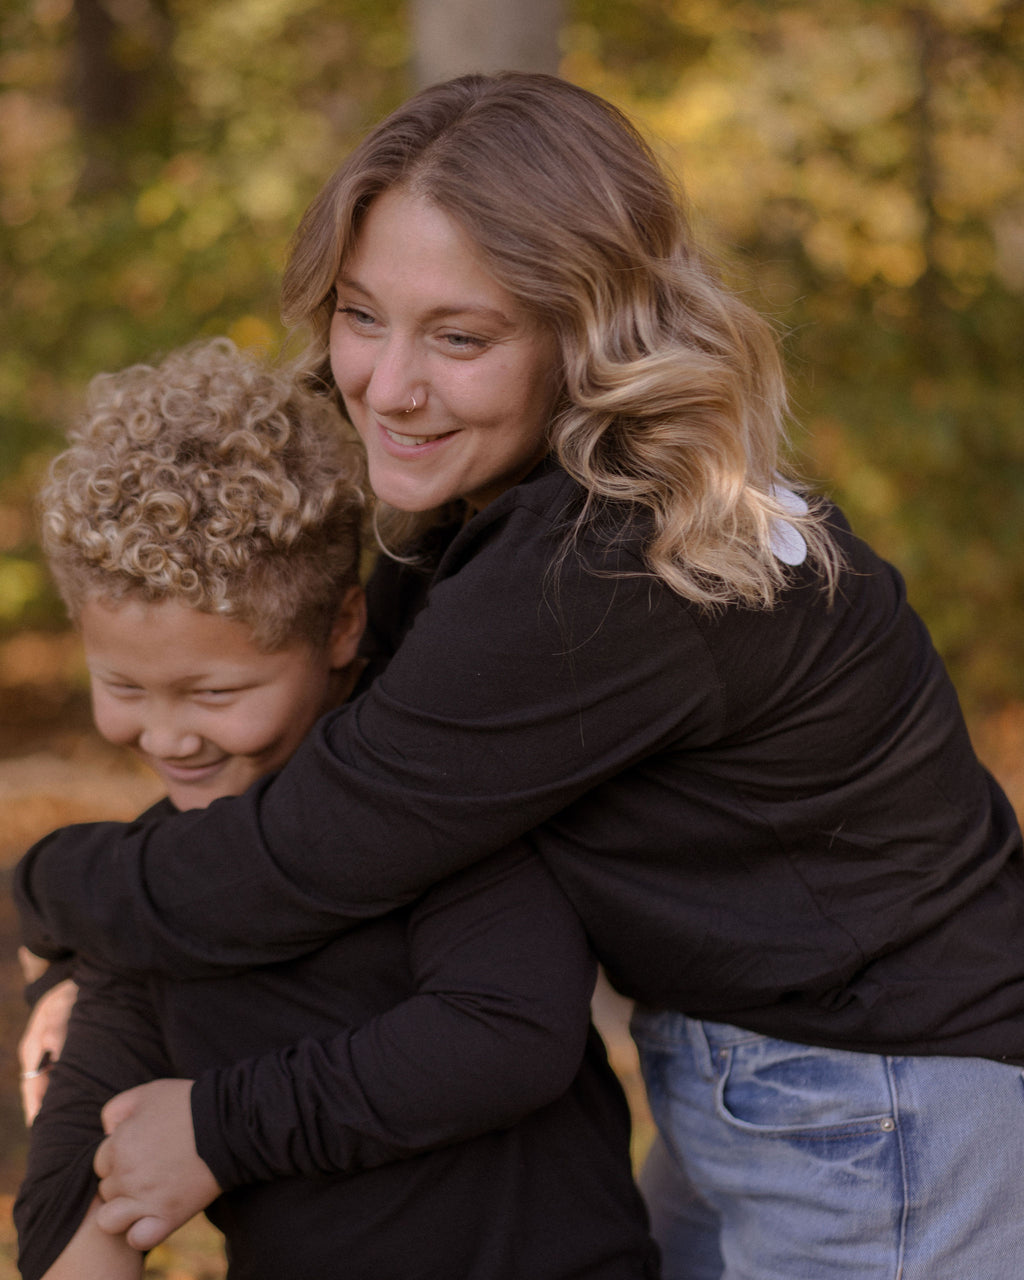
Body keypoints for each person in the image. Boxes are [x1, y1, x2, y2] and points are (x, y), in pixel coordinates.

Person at [15, 70, 1024, 1279]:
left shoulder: (600, 574)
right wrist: (103, 968)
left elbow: (294, 858)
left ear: (589, 331)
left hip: (876, 1106)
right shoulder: (525, 509)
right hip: (763, 1073)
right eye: (360, 312)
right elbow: (284, 800)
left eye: (460, 335)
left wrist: (40, 894)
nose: (388, 385)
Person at [14, 336, 659, 1280]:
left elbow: (510, 1035)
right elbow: (77, 1191)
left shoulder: (431, 806)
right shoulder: (153, 893)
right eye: (123, 686)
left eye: (215, 693)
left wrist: (216, 1130)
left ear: (343, 628)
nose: (167, 737)